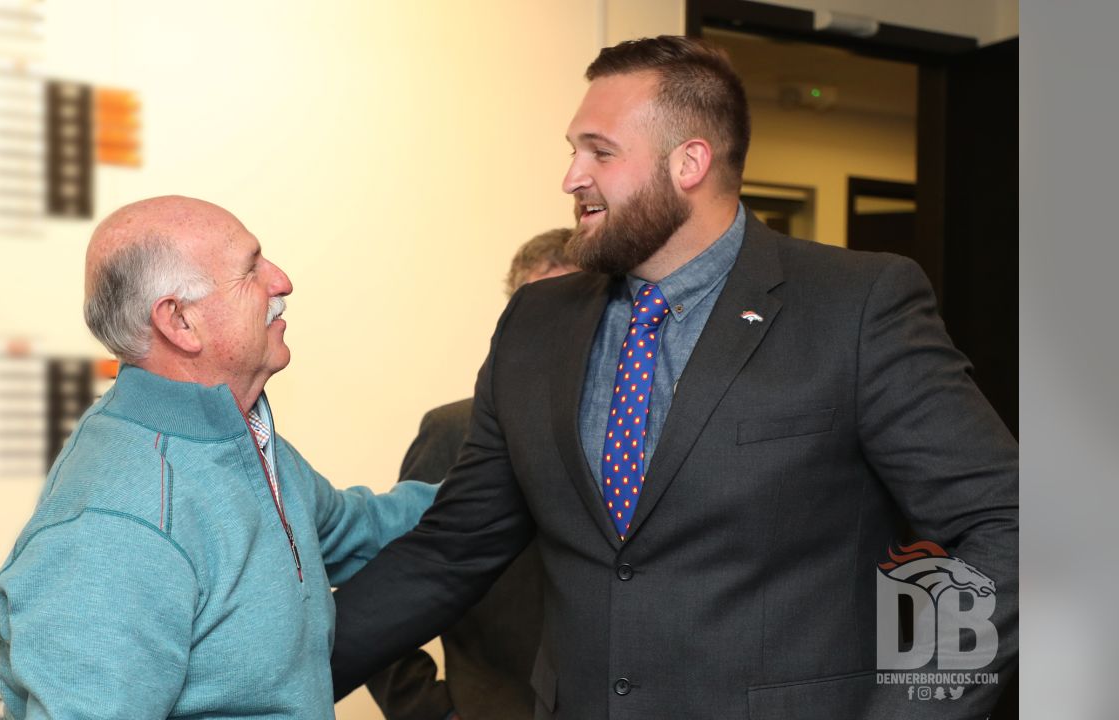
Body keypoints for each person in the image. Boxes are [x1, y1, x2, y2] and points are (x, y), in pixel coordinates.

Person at [331, 36, 1018, 719]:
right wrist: (264, 668)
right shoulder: (535, 325)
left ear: (689, 162)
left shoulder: (855, 305)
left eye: (600, 152)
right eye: (573, 150)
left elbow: (1009, 525)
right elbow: (454, 548)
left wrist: (913, 710)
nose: (571, 176)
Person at [0, 196, 437, 719]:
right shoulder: (116, 526)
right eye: (250, 270)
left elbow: (361, 528)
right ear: (180, 322)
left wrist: (507, 474)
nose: (282, 282)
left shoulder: (242, 444)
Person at [366, 229, 578, 720]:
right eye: (539, 312)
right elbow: (388, 594)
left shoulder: (643, 437)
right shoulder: (454, 433)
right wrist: (432, 712)